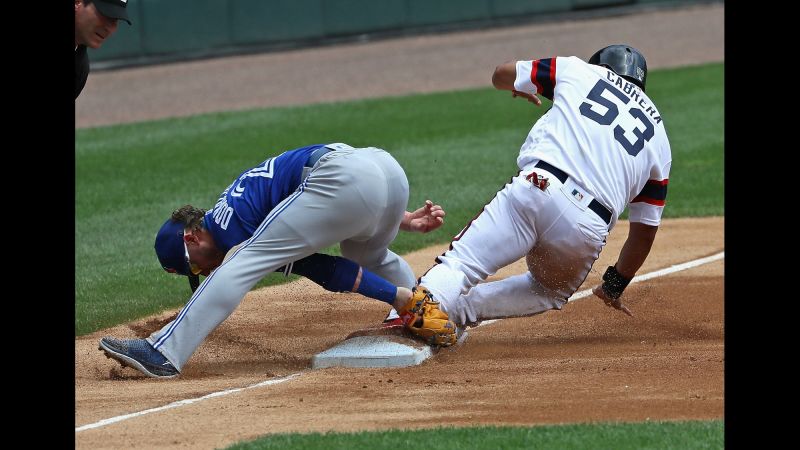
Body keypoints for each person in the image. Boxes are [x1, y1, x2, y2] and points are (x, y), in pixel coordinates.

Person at [99, 142, 455, 378]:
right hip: (383, 170)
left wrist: (391, 294)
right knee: (366, 253)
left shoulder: (229, 231)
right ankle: (418, 311)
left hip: (344, 178)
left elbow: (322, 269)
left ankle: (163, 352)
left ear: (191, 236)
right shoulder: (235, 207)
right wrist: (398, 218)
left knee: (240, 263)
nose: (203, 271)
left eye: (194, 265)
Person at [408, 45, 671, 333]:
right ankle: (458, 313)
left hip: (538, 187)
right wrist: (614, 285)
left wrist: (518, 86)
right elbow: (645, 231)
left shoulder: (580, 70)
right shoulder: (659, 137)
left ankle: (413, 314)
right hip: (586, 227)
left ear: (601, 65)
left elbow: (501, 74)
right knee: (548, 290)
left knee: (462, 263)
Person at [75, 0, 132, 99]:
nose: (110, 29)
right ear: (76, 3)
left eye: (115, 19)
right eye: (105, 14)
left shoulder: (80, 67)